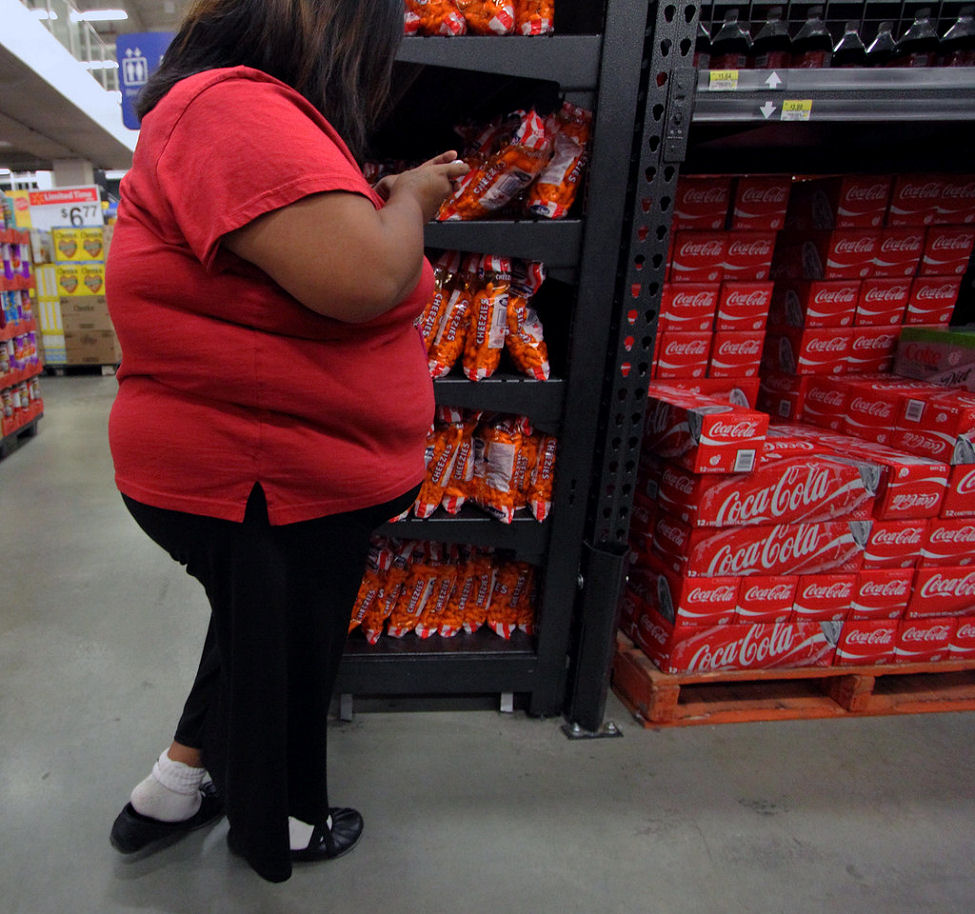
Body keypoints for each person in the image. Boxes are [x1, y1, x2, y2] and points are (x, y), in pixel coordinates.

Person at [105, 0, 468, 884]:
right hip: (263, 471)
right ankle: (285, 828)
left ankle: (171, 789)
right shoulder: (230, 107)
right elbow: (365, 276)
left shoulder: (226, 108)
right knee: (289, 668)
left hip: (267, 468)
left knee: (253, 632)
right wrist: (412, 197)